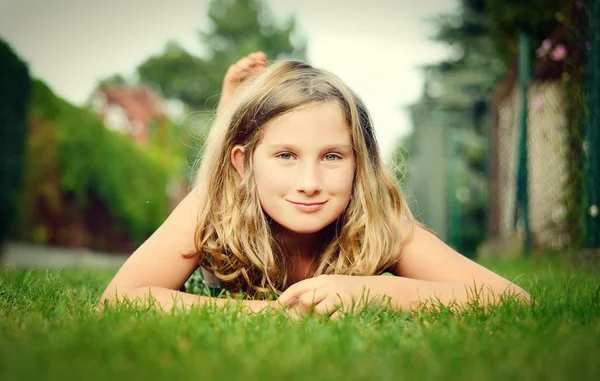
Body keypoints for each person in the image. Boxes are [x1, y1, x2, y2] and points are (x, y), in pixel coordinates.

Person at [98, 52, 530, 318]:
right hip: (233, 190)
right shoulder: (213, 205)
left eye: (332, 157)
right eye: (286, 156)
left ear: (360, 165)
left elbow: (513, 301)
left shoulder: (379, 221)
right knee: (216, 178)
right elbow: (117, 300)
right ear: (244, 164)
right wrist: (267, 317)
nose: (310, 184)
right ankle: (230, 117)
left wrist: (375, 291)